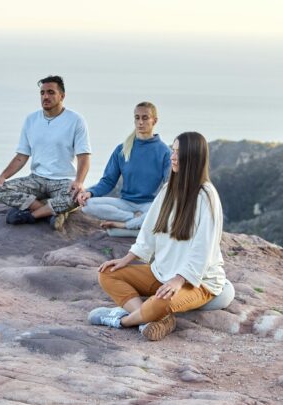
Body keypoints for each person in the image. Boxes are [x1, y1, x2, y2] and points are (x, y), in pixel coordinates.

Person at [88, 131, 226, 341]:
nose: (172, 156)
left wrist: (179, 280)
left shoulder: (206, 196)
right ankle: (149, 319)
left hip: (197, 281)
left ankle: (122, 320)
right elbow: (149, 230)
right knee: (108, 273)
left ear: (193, 157)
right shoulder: (169, 188)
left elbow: (203, 249)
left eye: (179, 153)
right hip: (161, 272)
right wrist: (127, 259)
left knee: (163, 302)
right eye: (173, 150)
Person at [0, 75, 91, 230]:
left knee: (76, 198)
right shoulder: (31, 120)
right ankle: (50, 212)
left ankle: (32, 215)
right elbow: (21, 156)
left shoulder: (76, 120)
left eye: (51, 92)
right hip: (36, 179)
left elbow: (84, 157)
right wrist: (2, 176)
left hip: (63, 180)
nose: (45, 96)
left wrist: (78, 182)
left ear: (62, 96)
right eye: (42, 93)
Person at [76, 101, 170, 231]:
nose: (140, 122)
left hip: (149, 204)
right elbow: (108, 181)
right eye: (137, 118)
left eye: (145, 118)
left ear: (154, 121)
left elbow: (169, 185)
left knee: (163, 212)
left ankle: (127, 225)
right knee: (87, 205)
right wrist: (90, 192)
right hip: (125, 204)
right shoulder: (122, 149)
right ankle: (135, 220)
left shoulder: (165, 152)